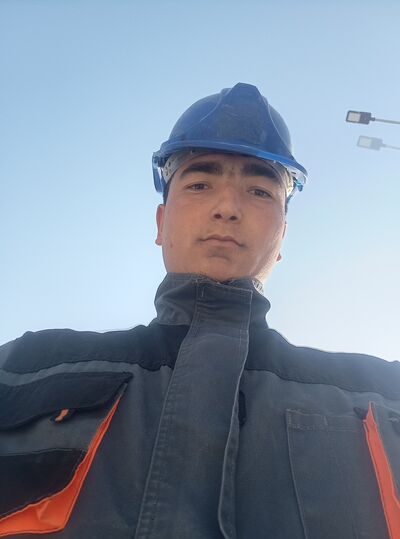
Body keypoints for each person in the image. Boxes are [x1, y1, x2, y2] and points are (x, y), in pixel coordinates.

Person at [0, 82, 399, 539]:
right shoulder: (26, 369)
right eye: (200, 184)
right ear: (160, 222)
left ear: (282, 236)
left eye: (259, 191)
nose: (227, 208)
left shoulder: (382, 394)